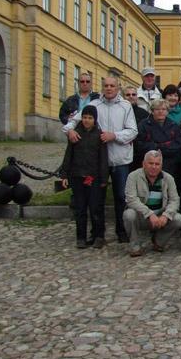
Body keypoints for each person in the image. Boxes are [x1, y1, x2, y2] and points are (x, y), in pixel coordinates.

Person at [63, 76, 138, 243]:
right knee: (96, 199)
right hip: (96, 163)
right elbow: (73, 122)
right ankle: (98, 233)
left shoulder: (126, 106)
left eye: (112, 86)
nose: (109, 88)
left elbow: (133, 131)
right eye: (106, 86)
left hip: (120, 159)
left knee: (120, 197)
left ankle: (121, 230)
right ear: (102, 87)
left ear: (118, 88)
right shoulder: (94, 105)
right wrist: (70, 131)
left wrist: (115, 135)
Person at [60, 104, 108, 249]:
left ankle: (98, 235)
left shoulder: (99, 136)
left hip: (93, 177)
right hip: (77, 175)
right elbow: (68, 155)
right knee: (80, 209)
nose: (87, 120)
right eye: (85, 117)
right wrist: (64, 174)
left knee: (95, 208)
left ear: (95, 120)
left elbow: (103, 159)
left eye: (90, 118)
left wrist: (104, 178)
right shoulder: (75, 134)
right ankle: (80, 237)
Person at [123, 150, 181, 257]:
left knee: (179, 219)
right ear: (143, 164)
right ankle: (135, 245)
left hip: (160, 217)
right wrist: (149, 214)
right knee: (129, 214)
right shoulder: (133, 176)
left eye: (157, 164)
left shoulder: (168, 178)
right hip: (141, 217)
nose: (154, 167)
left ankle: (158, 242)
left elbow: (174, 200)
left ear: (161, 165)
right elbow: (131, 199)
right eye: (151, 163)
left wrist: (166, 215)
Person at [136, 99, 181, 177]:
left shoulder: (173, 125)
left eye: (163, 109)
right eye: (157, 109)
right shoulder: (143, 125)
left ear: (167, 111)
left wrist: (159, 147)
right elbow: (140, 144)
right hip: (150, 164)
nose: (160, 111)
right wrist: (159, 147)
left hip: (171, 164)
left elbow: (179, 143)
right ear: (152, 111)